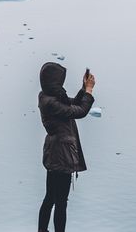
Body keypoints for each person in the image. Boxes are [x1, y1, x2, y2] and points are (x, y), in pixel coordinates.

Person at [37, 62, 95, 232]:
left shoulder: (48, 96)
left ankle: (42, 230)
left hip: (54, 152)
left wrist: (84, 89)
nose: (61, 84)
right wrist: (90, 92)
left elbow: (73, 103)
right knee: (60, 201)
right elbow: (79, 111)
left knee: (50, 198)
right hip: (61, 154)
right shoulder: (51, 102)